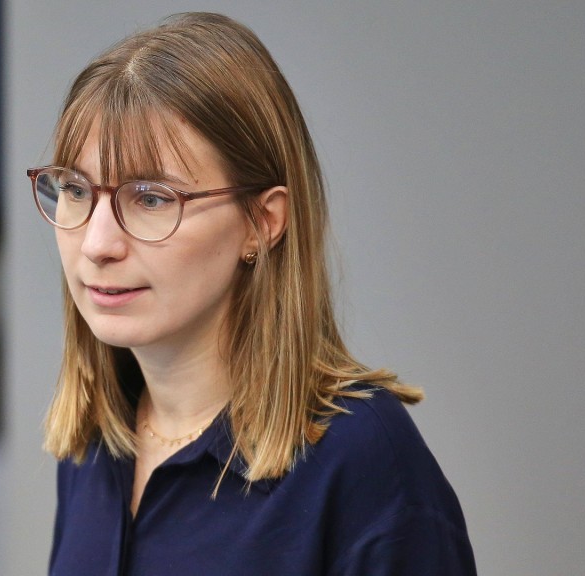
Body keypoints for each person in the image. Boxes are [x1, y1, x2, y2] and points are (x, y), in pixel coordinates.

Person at [27, 12, 476, 575]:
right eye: (75, 190)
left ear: (262, 222)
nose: (97, 244)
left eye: (151, 198)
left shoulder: (363, 461)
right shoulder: (96, 438)